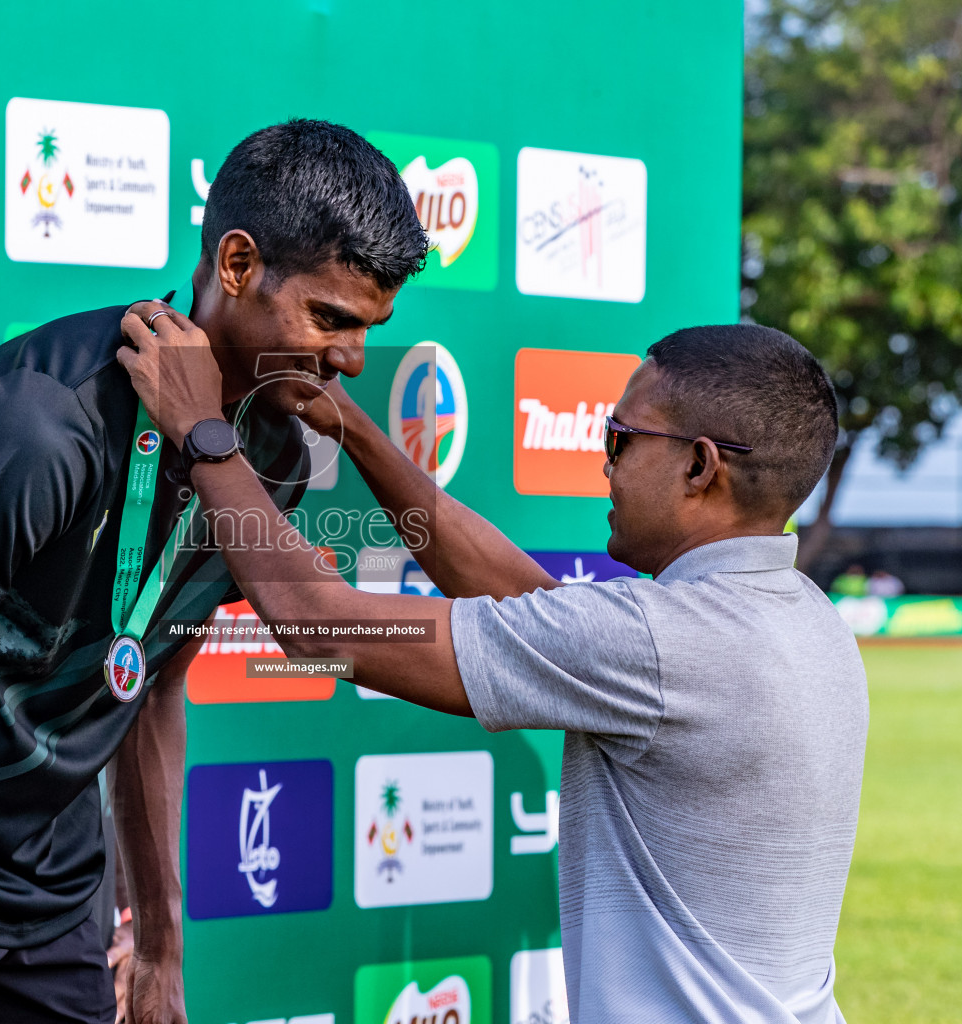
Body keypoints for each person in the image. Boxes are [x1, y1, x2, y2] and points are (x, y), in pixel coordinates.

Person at [0, 119, 428, 1024]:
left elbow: (147, 693)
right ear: (236, 265)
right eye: (330, 318)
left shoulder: (271, 458)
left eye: (369, 328)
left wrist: (162, 946)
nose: (351, 360)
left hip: (54, 881)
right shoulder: (45, 428)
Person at [118, 317, 869, 1024]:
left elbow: (322, 622)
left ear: (699, 466)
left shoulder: (661, 641)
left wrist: (204, 435)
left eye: (620, 439)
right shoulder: (804, 622)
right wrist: (352, 426)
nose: (603, 463)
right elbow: (528, 603)